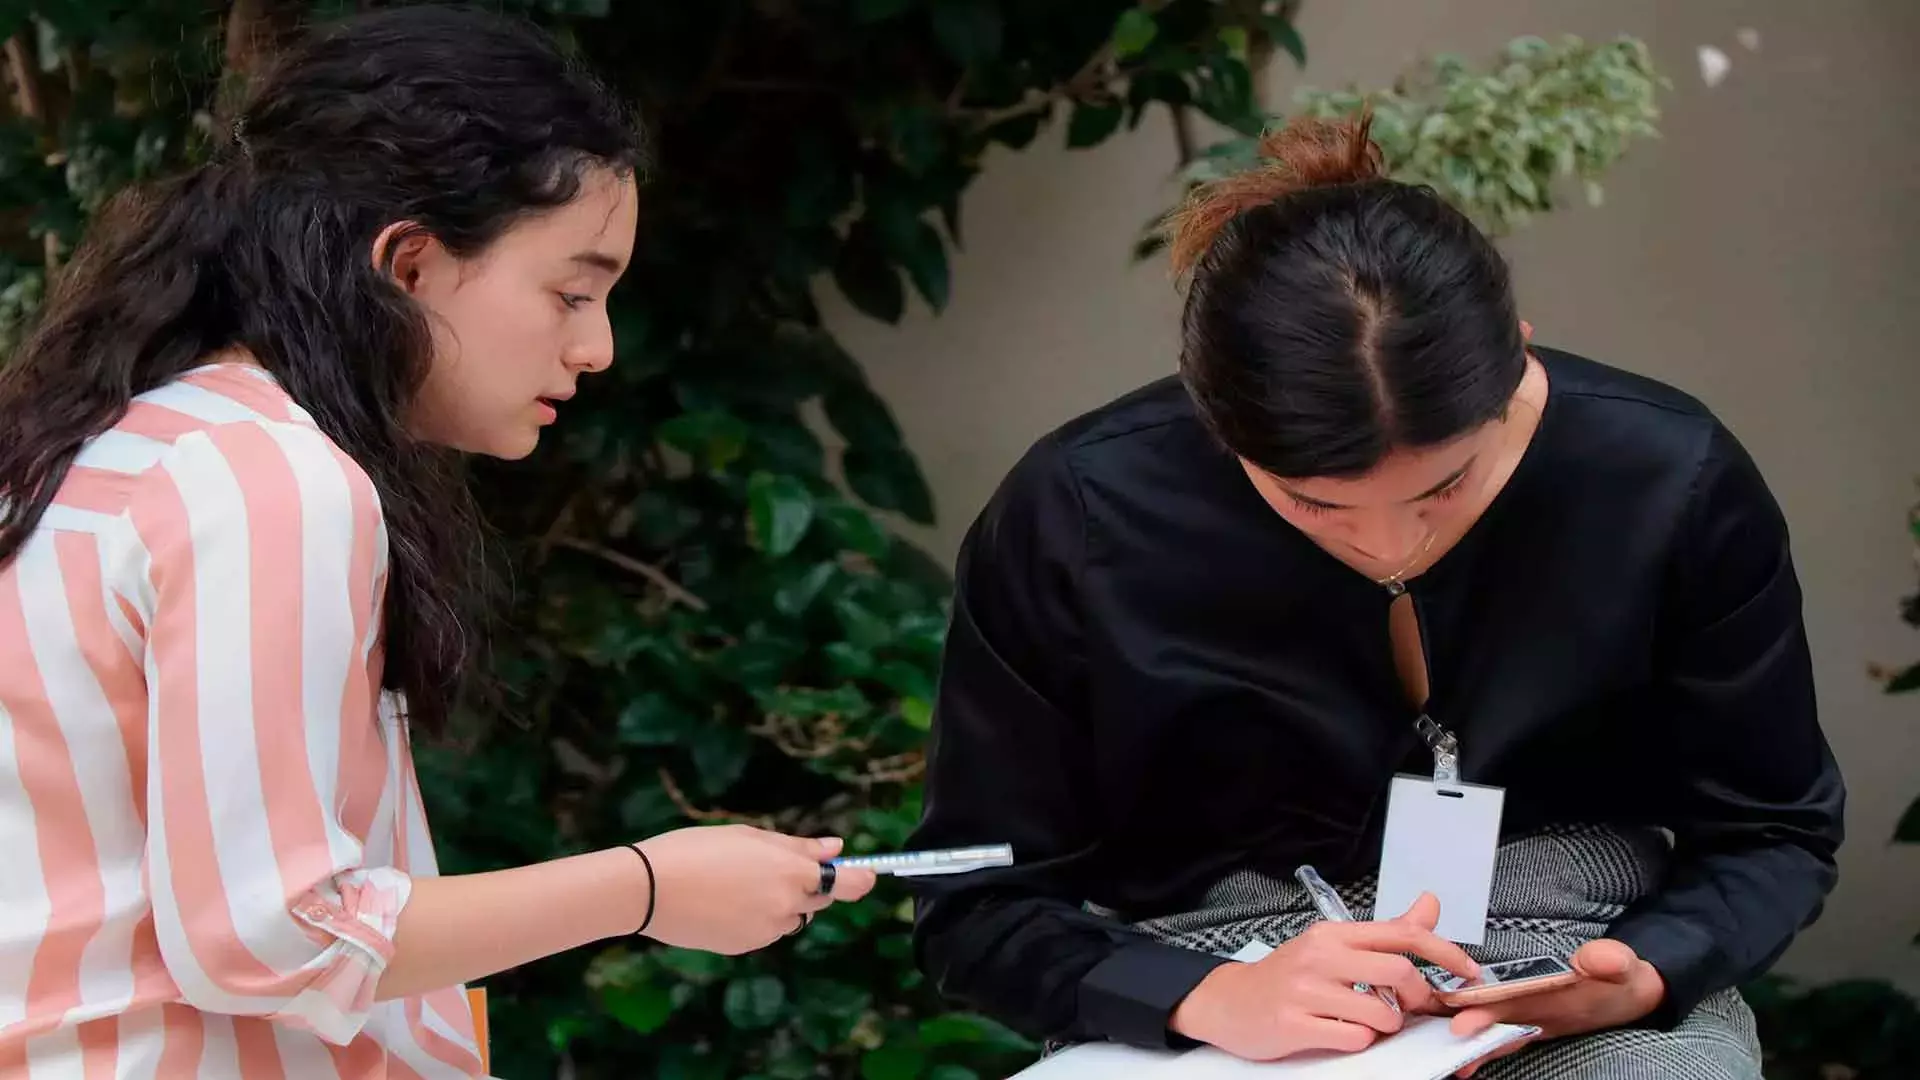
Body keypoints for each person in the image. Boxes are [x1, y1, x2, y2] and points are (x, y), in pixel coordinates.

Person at [0, 7, 873, 1077]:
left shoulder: (124, 441)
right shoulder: (276, 481)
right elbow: (269, 937)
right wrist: (649, 886)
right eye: (571, 292)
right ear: (407, 265)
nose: (595, 347)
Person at [906, 113, 1843, 1079]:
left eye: (1445, 486)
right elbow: (976, 896)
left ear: (1516, 353)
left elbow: (1775, 826)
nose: (1393, 543)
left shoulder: (1668, 478)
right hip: (1214, 979)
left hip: (1572, 950)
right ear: (1210, 416)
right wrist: (1197, 995)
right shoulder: (1078, 511)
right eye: (1312, 502)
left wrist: (1648, 970)